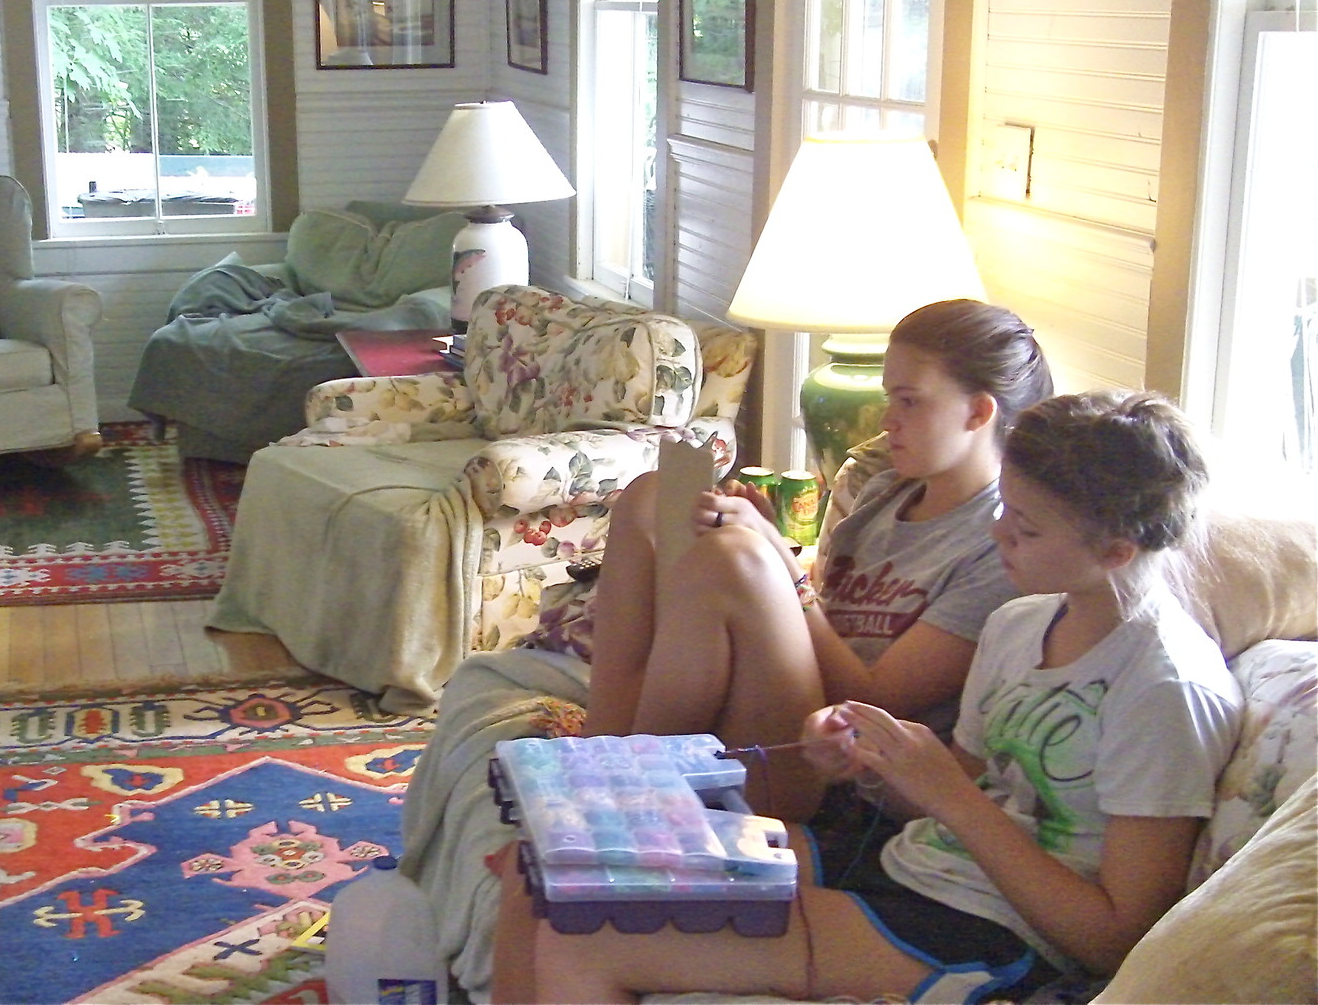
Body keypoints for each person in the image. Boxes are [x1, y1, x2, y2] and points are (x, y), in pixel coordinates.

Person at [491, 390, 1244, 1005]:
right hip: (909, 863)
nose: (998, 533)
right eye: (1003, 509)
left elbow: (1116, 936)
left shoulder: (1163, 688)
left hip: (993, 933)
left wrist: (946, 794)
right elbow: (957, 788)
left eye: (1026, 525)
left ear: (1116, 550)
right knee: (550, 869)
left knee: (578, 932)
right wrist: (868, 765)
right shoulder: (1020, 623)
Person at [583, 298, 1053, 821]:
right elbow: (827, 608)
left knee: (737, 558)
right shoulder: (885, 493)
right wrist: (774, 542)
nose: (887, 420)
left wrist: (775, 564)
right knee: (650, 498)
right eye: (888, 398)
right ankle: (602, 746)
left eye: (910, 402)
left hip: (833, 762)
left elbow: (876, 704)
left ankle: (627, 794)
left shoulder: (1001, 543)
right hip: (783, 698)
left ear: (978, 412)